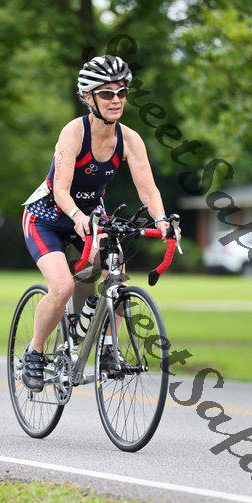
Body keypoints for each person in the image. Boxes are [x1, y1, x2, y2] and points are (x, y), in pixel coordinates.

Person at [21, 55, 172, 392]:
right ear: (89, 98)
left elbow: (147, 187)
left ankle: (107, 349)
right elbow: (60, 189)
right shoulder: (74, 132)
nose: (116, 100)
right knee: (62, 287)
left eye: (121, 92)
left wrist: (161, 219)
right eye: (106, 93)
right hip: (47, 217)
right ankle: (35, 352)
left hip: (91, 217)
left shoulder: (129, 138)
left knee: (115, 271)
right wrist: (76, 216)